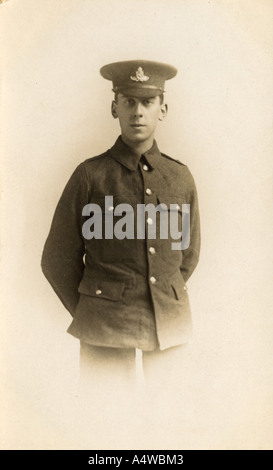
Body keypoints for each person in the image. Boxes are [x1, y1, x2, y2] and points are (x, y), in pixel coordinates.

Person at [41, 60, 201, 403]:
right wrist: (95, 307)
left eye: (147, 102)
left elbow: (187, 255)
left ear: (163, 108)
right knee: (106, 420)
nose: (138, 112)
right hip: (105, 328)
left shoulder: (180, 178)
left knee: (174, 420)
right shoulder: (90, 176)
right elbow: (56, 259)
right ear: (114, 107)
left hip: (170, 328)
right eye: (129, 101)